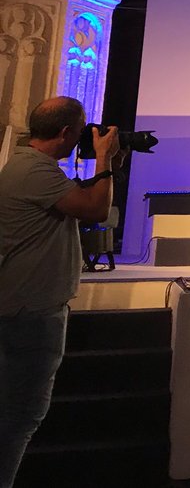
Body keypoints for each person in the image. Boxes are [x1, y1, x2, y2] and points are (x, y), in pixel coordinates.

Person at [0, 97, 120, 488]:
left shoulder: (28, 167)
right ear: (67, 132)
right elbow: (95, 209)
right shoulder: (35, 169)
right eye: (83, 130)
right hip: (30, 313)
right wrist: (104, 161)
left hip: (22, 308)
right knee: (20, 415)